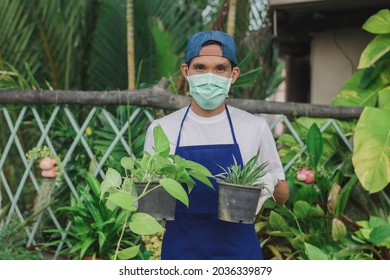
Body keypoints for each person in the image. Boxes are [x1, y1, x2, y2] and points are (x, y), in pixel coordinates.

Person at [143, 30, 289, 260]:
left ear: (233, 74)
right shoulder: (162, 129)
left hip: (239, 255)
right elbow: (152, 205)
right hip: (182, 254)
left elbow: (283, 195)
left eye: (220, 68)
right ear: (186, 72)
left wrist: (269, 182)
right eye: (200, 67)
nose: (210, 76)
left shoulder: (254, 127)